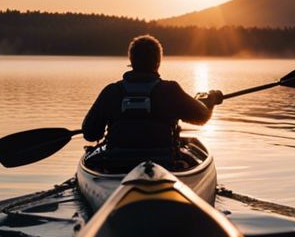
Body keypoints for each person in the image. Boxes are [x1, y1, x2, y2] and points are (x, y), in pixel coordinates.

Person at [82, 35, 222, 154]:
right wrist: (210, 101)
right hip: (164, 161)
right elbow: (201, 117)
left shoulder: (111, 92)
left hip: (116, 162)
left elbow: (90, 133)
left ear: (131, 61)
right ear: (158, 62)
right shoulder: (170, 90)